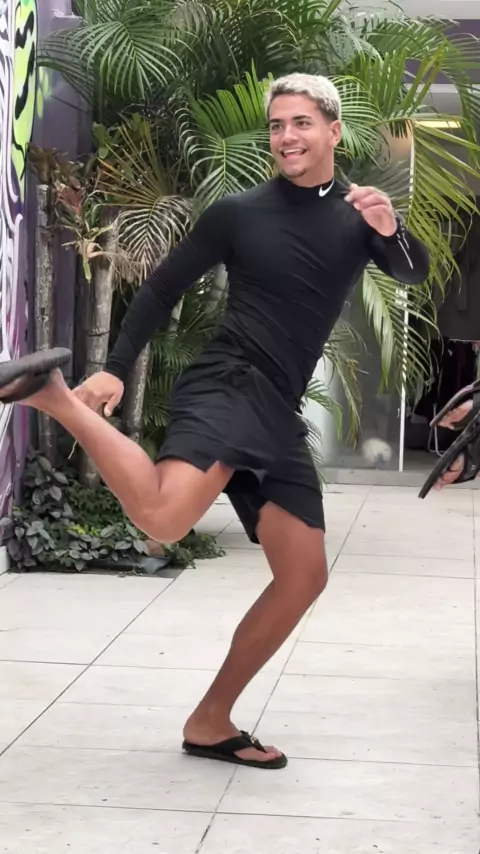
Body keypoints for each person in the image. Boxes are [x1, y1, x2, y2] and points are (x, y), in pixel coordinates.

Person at [0, 73, 430, 769]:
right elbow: (164, 287)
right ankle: (54, 395)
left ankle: (209, 721)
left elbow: (410, 271)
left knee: (303, 576)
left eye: (300, 123)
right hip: (230, 381)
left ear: (333, 130)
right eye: (277, 125)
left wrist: (391, 228)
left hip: (276, 408)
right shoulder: (238, 212)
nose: (285, 136)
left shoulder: (359, 214)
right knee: (164, 519)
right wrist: (114, 367)